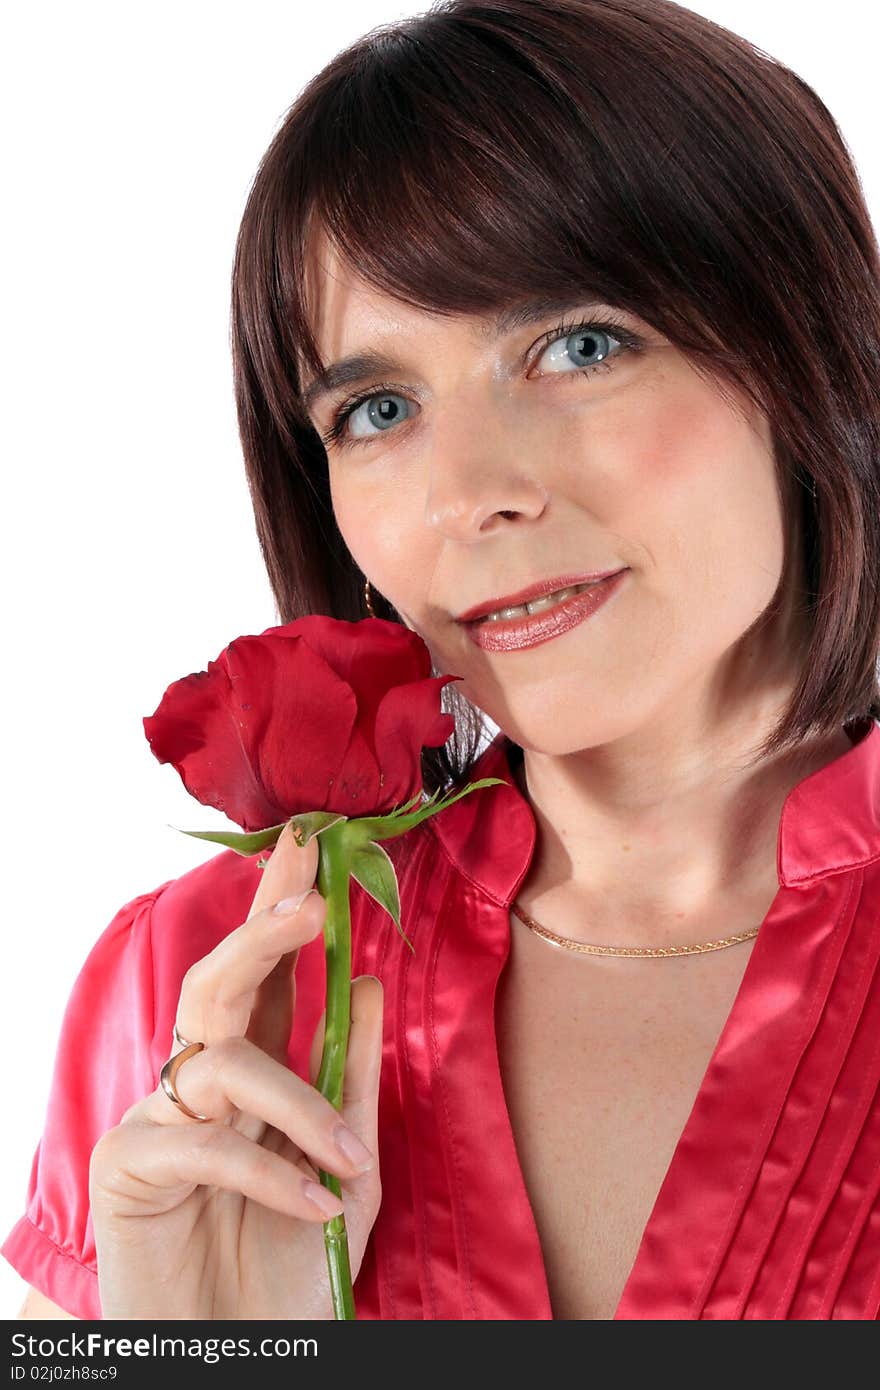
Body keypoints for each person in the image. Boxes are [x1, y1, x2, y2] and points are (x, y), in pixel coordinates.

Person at [5, 0, 880, 1320]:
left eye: (579, 344)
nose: (470, 492)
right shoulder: (206, 987)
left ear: (807, 349)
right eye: (376, 409)